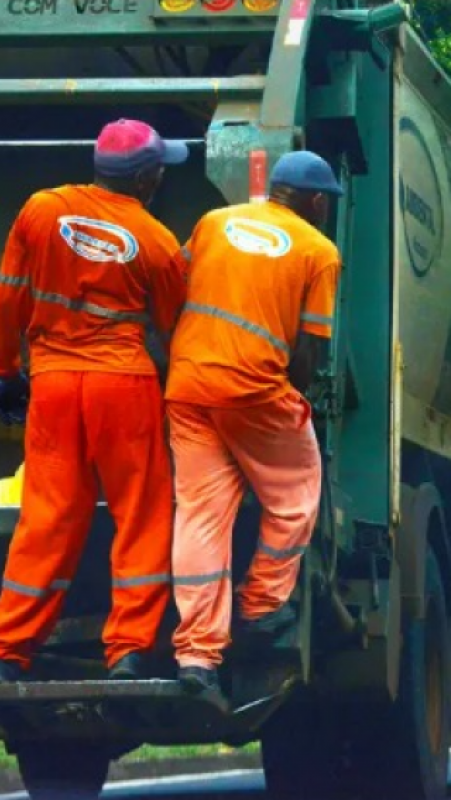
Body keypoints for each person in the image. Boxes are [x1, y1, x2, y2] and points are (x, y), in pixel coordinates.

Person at [0, 119, 190, 683]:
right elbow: (175, 331)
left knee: (46, 520)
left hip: (51, 385)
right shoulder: (157, 241)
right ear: (146, 179)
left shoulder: (41, 210)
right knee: (142, 517)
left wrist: (5, 372)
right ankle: (127, 651)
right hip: (123, 387)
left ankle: (5, 655)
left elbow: (8, 299)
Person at [165, 151, 344, 703]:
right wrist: (296, 395)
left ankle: (196, 656)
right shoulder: (319, 250)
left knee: (200, 516)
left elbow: (175, 287)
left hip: (189, 387)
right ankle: (262, 608)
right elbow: (310, 352)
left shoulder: (214, 222)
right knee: (295, 494)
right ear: (316, 201)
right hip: (255, 392)